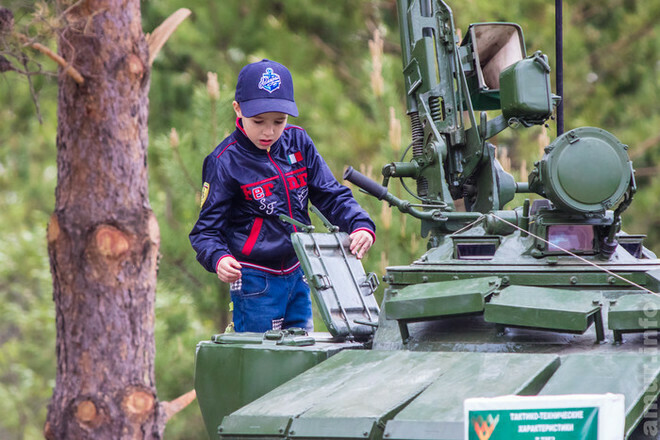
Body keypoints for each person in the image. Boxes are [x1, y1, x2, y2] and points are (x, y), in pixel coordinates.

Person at [189, 59, 376, 333]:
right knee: (262, 359)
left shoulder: (298, 142)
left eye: (279, 121)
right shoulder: (224, 162)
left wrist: (360, 224)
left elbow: (330, 193)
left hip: (300, 272)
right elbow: (205, 232)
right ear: (237, 109)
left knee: (301, 351)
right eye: (258, 121)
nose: (269, 131)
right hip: (254, 279)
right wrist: (218, 258)